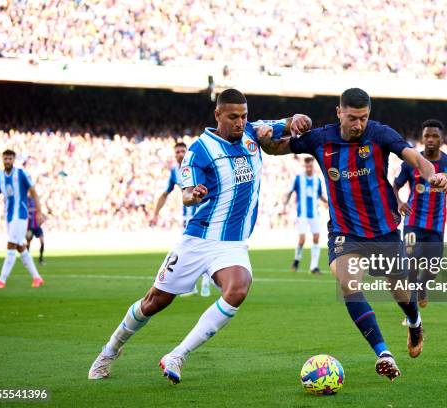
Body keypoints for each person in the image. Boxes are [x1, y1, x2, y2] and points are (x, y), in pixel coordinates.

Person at [88, 89, 312, 384]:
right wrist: (193, 194)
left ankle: (177, 355)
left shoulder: (252, 132)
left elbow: (288, 122)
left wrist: (299, 118)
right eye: (233, 117)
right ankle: (109, 350)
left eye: (243, 116)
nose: (239, 122)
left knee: (238, 289)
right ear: (217, 115)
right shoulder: (199, 150)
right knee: (154, 302)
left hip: (231, 244)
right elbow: (186, 195)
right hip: (198, 239)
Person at [258, 88, 447, 381]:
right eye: (352, 118)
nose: (358, 124)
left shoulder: (379, 133)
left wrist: (432, 174)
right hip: (345, 231)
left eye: (363, 118)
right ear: (339, 113)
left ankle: (414, 322)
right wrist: (278, 127)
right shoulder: (321, 139)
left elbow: (414, 158)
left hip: (384, 231)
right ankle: (383, 353)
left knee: (400, 292)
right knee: (348, 283)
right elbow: (274, 148)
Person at [393, 119, 447, 308]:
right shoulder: (411, 162)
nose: (430, 139)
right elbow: (395, 185)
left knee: (432, 267)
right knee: (411, 262)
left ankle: (422, 287)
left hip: (436, 224)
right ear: (422, 138)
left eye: (435, 136)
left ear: (442, 139)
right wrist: (399, 202)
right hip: (413, 222)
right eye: (427, 136)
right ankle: (413, 305)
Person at [151, 142, 210, 297]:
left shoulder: (197, 166)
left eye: (183, 151)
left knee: (196, 247)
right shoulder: (174, 173)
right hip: (186, 217)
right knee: (191, 249)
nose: (180, 154)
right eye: (177, 151)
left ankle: (202, 283)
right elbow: (165, 194)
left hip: (203, 214)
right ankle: (193, 285)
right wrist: (155, 214)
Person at [0, 149, 45, 288]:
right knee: (20, 247)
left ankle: (1, 280)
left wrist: (39, 212)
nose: (7, 161)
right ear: (2, 159)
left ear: (13, 160)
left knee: (11, 244)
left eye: (10, 159)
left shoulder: (21, 174)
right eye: (5, 158)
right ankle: (37, 278)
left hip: (20, 215)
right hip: (9, 216)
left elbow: (33, 191)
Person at [283, 157, 328, 274]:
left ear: (313, 166)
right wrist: (285, 205)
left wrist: (327, 202)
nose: (309, 168)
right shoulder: (298, 179)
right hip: (302, 214)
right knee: (302, 240)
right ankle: (297, 260)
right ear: (305, 166)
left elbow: (320, 195)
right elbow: (290, 192)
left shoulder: (317, 180)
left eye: (310, 166)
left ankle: (314, 267)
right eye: (307, 166)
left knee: (316, 238)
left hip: (314, 214)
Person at [26, 190, 46, 265]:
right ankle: (27, 260)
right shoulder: (25, 200)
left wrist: (42, 219)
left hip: (37, 226)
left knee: (42, 241)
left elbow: (40, 213)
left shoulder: (36, 201)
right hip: (29, 227)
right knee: (28, 243)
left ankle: (41, 258)